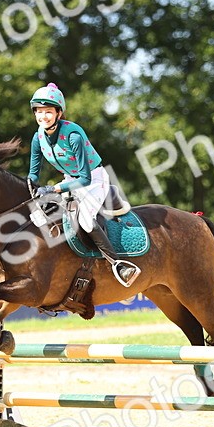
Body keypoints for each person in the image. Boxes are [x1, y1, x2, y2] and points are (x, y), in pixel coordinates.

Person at [26, 83, 140, 287]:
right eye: (39, 112)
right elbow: (34, 173)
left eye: (48, 112)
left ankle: (119, 264)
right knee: (38, 214)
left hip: (93, 179)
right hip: (70, 179)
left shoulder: (73, 135)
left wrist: (53, 189)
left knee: (86, 221)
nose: (43, 117)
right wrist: (30, 187)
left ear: (59, 113)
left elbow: (85, 179)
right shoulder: (38, 137)